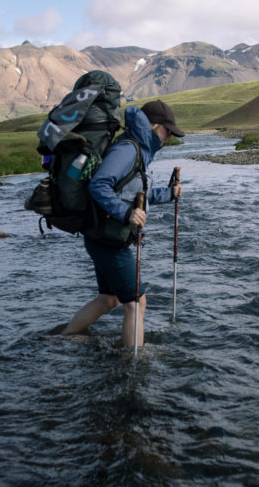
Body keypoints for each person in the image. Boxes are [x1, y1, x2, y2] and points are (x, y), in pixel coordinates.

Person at [62, 100, 184, 348]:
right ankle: (132, 366)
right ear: (154, 126)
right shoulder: (128, 150)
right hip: (108, 237)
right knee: (136, 302)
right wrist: (126, 213)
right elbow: (99, 185)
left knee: (109, 299)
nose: (168, 137)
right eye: (166, 131)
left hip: (101, 234)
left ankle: (62, 338)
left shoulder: (139, 150)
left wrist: (168, 194)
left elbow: (134, 194)